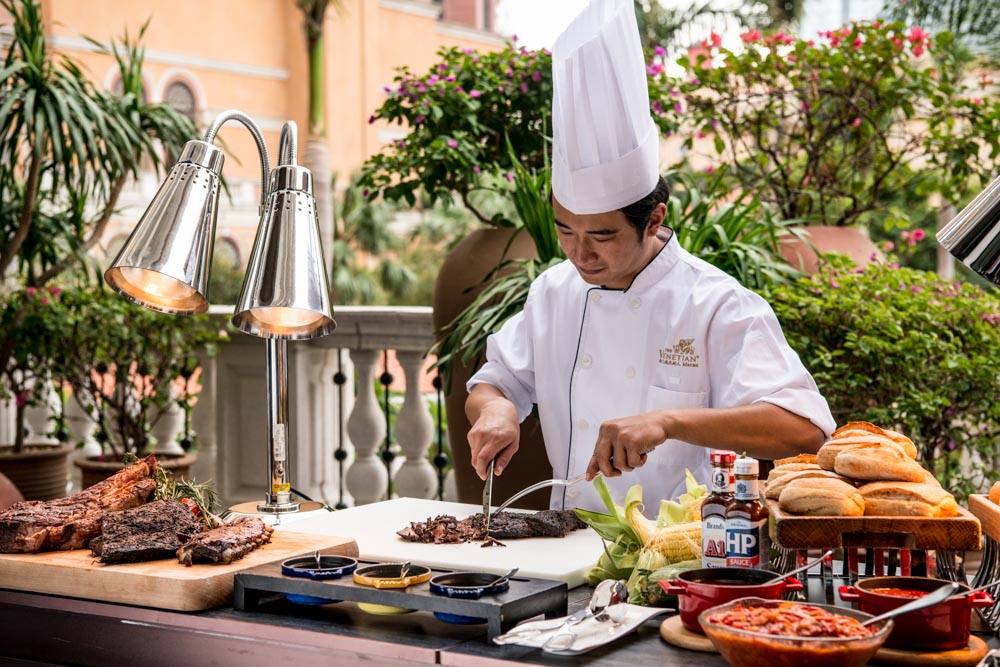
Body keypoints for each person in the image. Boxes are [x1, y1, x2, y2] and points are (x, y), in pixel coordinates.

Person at [465, 0, 836, 514]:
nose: (579, 253)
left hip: (680, 557)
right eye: (565, 231)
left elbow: (806, 429)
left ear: (654, 220)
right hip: (565, 542)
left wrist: (669, 421)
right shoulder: (553, 292)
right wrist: (496, 411)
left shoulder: (717, 303)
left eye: (601, 235)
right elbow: (495, 380)